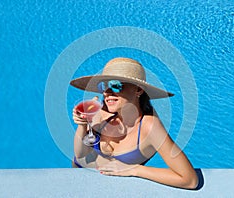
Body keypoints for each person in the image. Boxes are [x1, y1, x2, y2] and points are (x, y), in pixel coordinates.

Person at [70, 57, 198, 189]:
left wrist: (135, 169)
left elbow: (189, 180)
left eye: (115, 85)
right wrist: (82, 125)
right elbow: (81, 154)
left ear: (139, 90)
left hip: (110, 188)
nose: (107, 93)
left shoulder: (149, 127)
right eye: (104, 85)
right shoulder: (102, 112)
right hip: (79, 176)